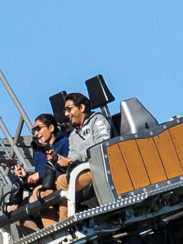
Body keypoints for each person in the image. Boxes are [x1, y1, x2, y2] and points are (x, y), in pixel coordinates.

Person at [51, 92, 112, 221]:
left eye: (69, 109)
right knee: (55, 184)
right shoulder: (73, 135)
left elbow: (103, 144)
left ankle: (65, 221)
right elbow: (72, 157)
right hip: (82, 170)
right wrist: (60, 159)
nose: (66, 114)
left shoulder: (97, 120)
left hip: (100, 168)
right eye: (65, 110)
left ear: (82, 108)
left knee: (62, 181)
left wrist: (75, 159)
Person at [13, 113, 69, 231]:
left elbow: (68, 166)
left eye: (39, 128)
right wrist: (26, 177)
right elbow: (37, 177)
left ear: (51, 128)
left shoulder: (64, 142)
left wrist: (40, 174)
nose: (36, 133)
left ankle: (62, 227)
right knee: (15, 214)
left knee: (41, 193)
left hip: (61, 181)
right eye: (34, 130)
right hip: (44, 186)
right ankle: (47, 233)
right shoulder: (39, 152)